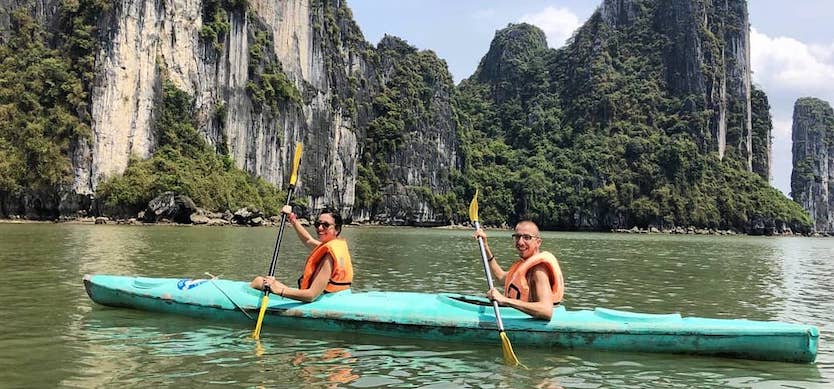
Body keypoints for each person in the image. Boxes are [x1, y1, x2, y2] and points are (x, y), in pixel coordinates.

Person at [251, 205, 353, 302]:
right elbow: (308, 240)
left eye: (326, 225)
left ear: (337, 229)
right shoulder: (334, 245)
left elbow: (311, 295)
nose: (320, 228)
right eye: (318, 224)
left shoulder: (329, 256)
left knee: (259, 282)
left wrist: (277, 290)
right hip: (334, 296)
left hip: (317, 300)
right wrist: (291, 218)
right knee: (259, 281)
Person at [474, 220, 564, 320]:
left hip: (536, 326)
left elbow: (546, 311)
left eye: (527, 237)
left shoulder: (538, 270)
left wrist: (504, 300)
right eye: (517, 237)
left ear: (538, 242)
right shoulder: (524, 264)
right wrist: (485, 247)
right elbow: (500, 278)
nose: (520, 242)